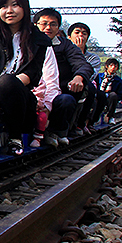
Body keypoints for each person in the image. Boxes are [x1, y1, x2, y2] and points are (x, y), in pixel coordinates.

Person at [0, 0, 56, 154]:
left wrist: (2, 87)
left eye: (15, 5)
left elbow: (31, 74)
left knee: (7, 81)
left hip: (19, 95)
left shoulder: (38, 39)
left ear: (24, 8)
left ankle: (15, 138)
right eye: (3, 6)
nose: (9, 11)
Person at [32, 8, 93, 145]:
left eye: (53, 24)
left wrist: (79, 77)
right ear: (35, 24)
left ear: (58, 28)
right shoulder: (27, 42)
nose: (48, 27)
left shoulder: (65, 45)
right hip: (34, 88)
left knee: (70, 98)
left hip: (59, 89)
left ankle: (57, 131)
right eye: (44, 23)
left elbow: (83, 64)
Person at [66, 22, 102, 134]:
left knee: (89, 88)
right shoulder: (61, 51)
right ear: (69, 37)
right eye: (77, 32)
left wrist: (78, 52)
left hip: (82, 84)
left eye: (84, 33)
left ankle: (80, 124)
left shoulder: (94, 58)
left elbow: (90, 75)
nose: (80, 36)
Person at [95, 58, 122, 124]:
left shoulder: (119, 81)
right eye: (111, 65)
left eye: (115, 66)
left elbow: (120, 95)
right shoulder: (99, 76)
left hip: (111, 99)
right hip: (99, 96)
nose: (113, 68)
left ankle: (110, 116)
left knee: (113, 95)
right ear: (107, 66)